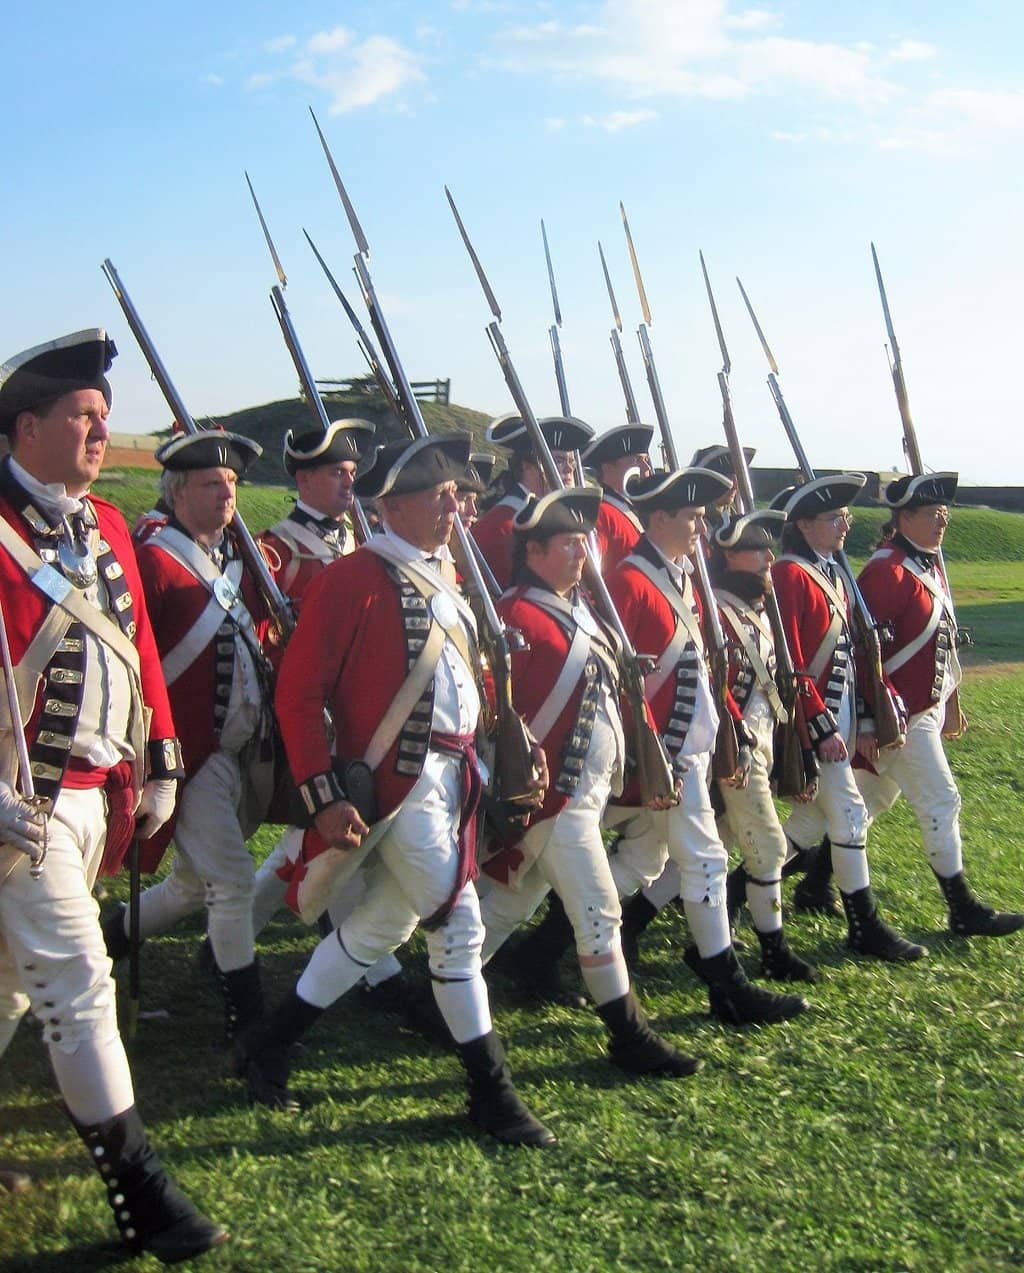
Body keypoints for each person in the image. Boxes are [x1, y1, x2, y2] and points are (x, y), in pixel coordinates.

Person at [236, 433, 555, 1147]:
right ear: (394, 504)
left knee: (383, 924)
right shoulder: (353, 576)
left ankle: (271, 1040)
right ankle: (491, 1091)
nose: (455, 506)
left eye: (456, 495)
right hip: (398, 784)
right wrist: (322, 790)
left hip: (454, 779)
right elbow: (298, 691)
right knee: (459, 925)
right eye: (439, 496)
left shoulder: (447, 574)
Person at [0, 329, 225, 1261]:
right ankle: (144, 1192)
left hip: (99, 798)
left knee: (10, 986)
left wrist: (161, 753)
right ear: (27, 426)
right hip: (24, 807)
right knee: (77, 986)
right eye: (82, 416)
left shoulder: (104, 528)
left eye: (103, 416)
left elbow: (134, 660)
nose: (101, 431)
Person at [478, 487, 699, 1077]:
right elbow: (492, 716)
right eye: (568, 543)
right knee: (600, 912)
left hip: (590, 788)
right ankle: (630, 1035)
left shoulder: (583, 609)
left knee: (509, 903)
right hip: (554, 796)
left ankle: (435, 990)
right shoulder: (514, 615)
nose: (583, 552)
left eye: (585, 541)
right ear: (535, 550)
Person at [602, 469, 809, 1024]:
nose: (702, 526)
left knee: (694, 857)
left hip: (692, 744)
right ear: (661, 517)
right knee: (702, 858)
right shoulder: (629, 582)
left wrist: (732, 725)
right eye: (692, 517)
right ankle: (726, 985)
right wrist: (652, 753)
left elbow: (708, 668)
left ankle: (723, 982)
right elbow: (621, 682)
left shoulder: (684, 576)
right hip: (661, 751)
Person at [786, 472, 1023, 939]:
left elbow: (940, 642)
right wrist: (871, 719)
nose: (942, 519)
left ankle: (799, 886)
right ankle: (962, 908)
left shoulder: (930, 565)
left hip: (920, 709)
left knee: (853, 808)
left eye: (945, 511)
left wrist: (948, 703)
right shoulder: (887, 572)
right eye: (931, 512)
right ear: (904, 517)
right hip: (898, 716)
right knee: (941, 797)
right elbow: (860, 650)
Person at [104, 428, 275, 1043]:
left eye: (231, 482)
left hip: (233, 748)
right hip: (184, 753)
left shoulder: (237, 557)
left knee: (191, 884)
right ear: (177, 492)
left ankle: (115, 933)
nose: (227, 492)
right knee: (230, 883)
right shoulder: (153, 559)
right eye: (211, 483)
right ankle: (248, 1021)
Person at [772, 475, 927, 962]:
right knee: (851, 816)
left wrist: (861, 723)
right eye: (835, 518)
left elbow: (858, 658)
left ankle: (737, 896)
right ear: (804, 525)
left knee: (809, 825)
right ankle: (866, 926)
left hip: (841, 722)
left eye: (847, 517)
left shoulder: (834, 571)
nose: (846, 525)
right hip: (816, 726)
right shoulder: (790, 574)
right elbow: (792, 662)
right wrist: (819, 730)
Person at [471, 414, 592, 589]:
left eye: (571, 463)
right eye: (558, 461)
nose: (569, 469)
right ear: (527, 466)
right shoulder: (503, 526)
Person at [581, 424, 654, 573]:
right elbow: (592, 576)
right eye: (637, 461)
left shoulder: (637, 510)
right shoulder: (601, 514)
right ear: (608, 468)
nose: (647, 469)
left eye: (646, 460)